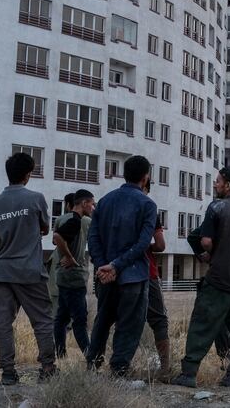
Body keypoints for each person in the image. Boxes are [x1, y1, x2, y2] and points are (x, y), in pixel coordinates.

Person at [172, 167, 230, 389]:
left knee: (202, 324)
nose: (215, 184)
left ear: (228, 185)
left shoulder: (216, 207)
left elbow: (205, 241)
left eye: (218, 181)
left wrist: (214, 252)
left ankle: (189, 374)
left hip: (221, 279)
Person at [0, 153, 56, 385]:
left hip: (2, 269)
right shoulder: (36, 198)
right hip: (29, 269)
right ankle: (47, 368)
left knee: (3, 322)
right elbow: (45, 229)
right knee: (42, 319)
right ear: (28, 175)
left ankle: (7, 371)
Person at [87, 156, 156, 377]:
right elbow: (143, 243)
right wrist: (116, 266)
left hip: (105, 276)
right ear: (145, 178)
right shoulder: (147, 204)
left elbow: (93, 238)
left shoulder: (105, 201)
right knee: (130, 324)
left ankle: (92, 364)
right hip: (133, 276)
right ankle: (119, 369)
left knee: (102, 320)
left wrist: (103, 266)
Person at [53, 189, 95, 358]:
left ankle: (61, 354)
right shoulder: (81, 221)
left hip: (62, 274)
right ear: (83, 203)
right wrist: (70, 257)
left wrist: (65, 253)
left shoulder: (61, 219)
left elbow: (55, 238)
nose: (93, 207)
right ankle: (91, 358)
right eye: (92, 204)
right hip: (75, 276)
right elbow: (58, 236)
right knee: (79, 320)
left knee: (61, 317)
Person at [145, 212, 171, 378]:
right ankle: (165, 369)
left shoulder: (110, 206)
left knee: (122, 320)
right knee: (159, 320)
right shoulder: (148, 209)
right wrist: (147, 247)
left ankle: (118, 368)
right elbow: (160, 245)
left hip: (118, 272)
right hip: (147, 271)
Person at [47, 193, 75, 319]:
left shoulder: (61, 219)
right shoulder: (87, 221)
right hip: (77, 261)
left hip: (60, 259)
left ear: (68, 205)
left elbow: (54, 241)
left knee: (56, 294)